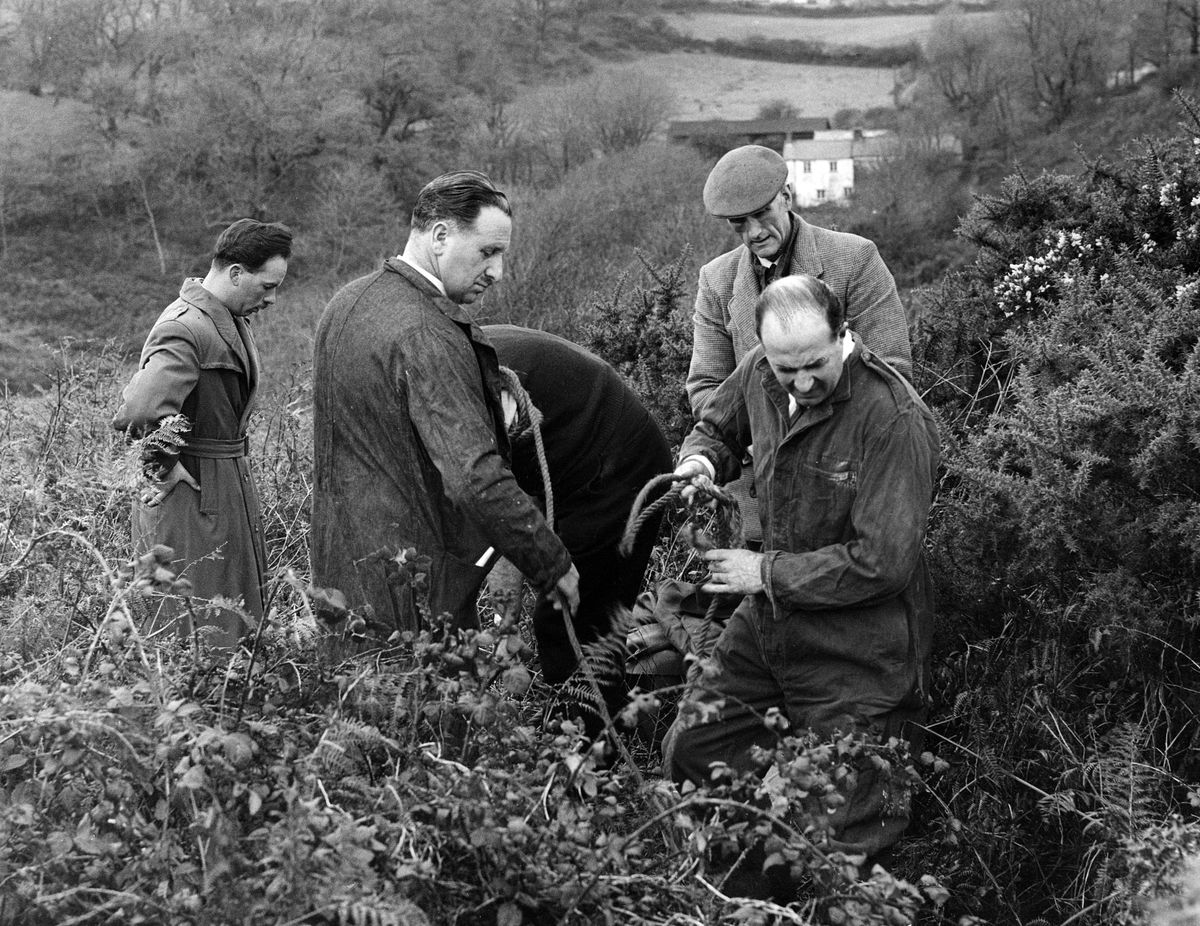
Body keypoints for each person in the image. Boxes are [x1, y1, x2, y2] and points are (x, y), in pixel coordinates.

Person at [667, 274, 939, 859]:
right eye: (787, 368)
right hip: (768, 630)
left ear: (843, 335)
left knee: (840, 837)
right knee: (691, 747)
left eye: (815, 364)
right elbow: (716, 426)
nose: (803, 381)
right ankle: (742, 875)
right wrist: (700, 462)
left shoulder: (893, 417)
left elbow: (883, 564)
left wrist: (762, 574)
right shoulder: (762, 372)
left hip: (859, 650)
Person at [310, 171, 579, 638]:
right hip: (412, 584)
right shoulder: (428, 333)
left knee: (352, 706)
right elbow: (474, 477)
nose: (497, 272)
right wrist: (550, 562)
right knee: (425, 708)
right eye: (487, 252)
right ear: (440, 236)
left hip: (340, 573)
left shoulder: (346, 300)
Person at [688, 144, 912, 550]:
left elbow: (892, 372)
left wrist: (803, 437)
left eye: (762, 215)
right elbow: (707, 389)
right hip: (755, 513)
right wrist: (759, 435)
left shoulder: (856, 259)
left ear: (787, 198)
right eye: (739, 223)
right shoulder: (715, 281)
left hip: (843, 505)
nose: (753, 232)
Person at [113, 219, 293, 649]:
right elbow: (139, 412)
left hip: (223, 485)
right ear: (235, 273)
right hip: (194, 496)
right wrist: (162, 469)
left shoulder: (225, 319)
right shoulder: (186, 327)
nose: (272, 299)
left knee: (233, 618)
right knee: (192, 626)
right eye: (266, 286)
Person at [484, 324, 673, 724]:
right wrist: (506, 624)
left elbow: (501, 511)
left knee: (571, 614)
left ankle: (590, 742)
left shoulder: (475, 384)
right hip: (581, 461)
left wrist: (505, 627)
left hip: (621, 468)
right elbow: (514, 514)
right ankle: (589, 720)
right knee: (569, 612)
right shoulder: (456, 353)